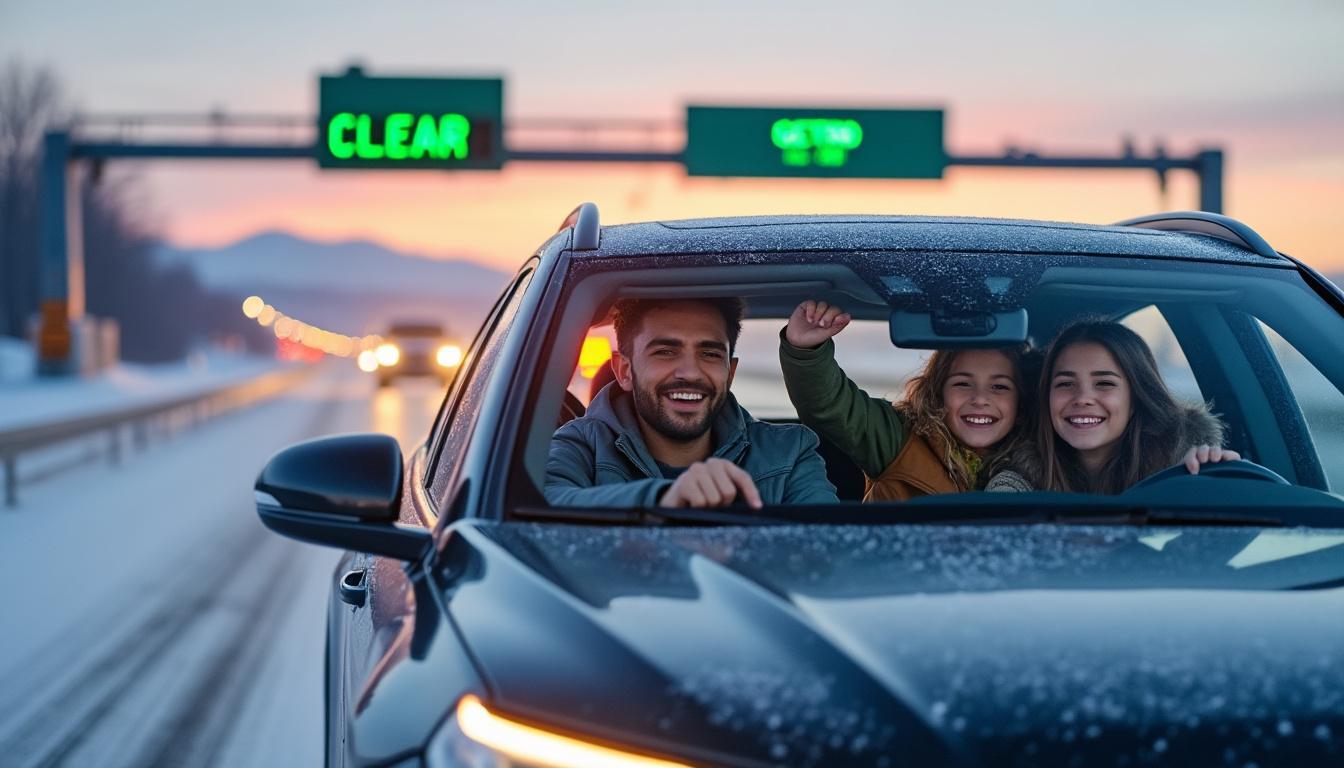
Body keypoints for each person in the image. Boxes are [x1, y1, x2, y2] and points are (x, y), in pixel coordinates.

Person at [546, 297, 838, 508]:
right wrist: (662, 500)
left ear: (730, 373)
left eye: (709, 354)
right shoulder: (577, 446)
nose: (690, 373)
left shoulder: (789, 452)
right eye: (665, 352)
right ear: (624, 371)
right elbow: (544, 503)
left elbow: (830, 549)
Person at [779, 299, 1032, 502]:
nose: (980, 398)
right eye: (962, 383)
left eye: (999, 387)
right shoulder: (899, 437)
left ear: (1021, 404)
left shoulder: (1043, 459)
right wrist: (805, 351)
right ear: (938, 393)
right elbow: (830, 407)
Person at [986, 319, 1238, 493]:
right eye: (1065, 384)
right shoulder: (1016, 484)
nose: (1083, 398)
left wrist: (1214, 483)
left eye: (1104, 383)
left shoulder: (1183, 471)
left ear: (1136, 398)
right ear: (1047, 398)